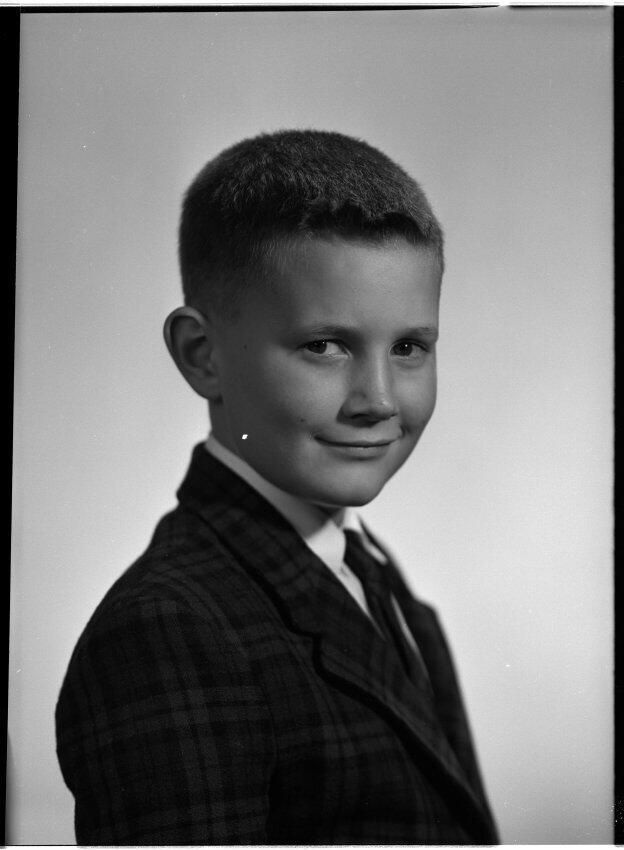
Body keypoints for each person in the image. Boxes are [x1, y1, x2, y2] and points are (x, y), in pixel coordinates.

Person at [55, 129, 498, 845]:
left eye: (409, 347)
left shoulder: (374, 579)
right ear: (203, 355)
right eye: (325, 345)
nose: (380, 400)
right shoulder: (170, 631)